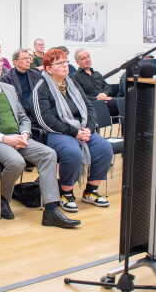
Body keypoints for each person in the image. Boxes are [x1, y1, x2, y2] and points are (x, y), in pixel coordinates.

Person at [0, 48, 80, 229]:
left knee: (49, 154)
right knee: (17, 162)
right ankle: (3, 198)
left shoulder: (8, 88)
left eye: (0, 61)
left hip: (19, 137)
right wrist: (5, 139)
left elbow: (23, 117)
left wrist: (25, 133)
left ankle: (51, 210)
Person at [31, 48, 113, 212]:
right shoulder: (41, 89)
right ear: (48, 68)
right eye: (59, 63)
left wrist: (89, 129)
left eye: (65, 62)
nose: (65, 66)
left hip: (82, 129)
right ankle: (66, 193)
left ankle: (91, 191)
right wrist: (74, 133)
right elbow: (45, 119)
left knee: (104, 149)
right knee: (72, 153)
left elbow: (89, 108)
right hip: (57, 132)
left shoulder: (72, 84)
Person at [72, 49, 119, 116]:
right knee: (122, 103)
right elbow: (79, 95)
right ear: (77, 62)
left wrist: (104, 94)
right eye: (83, 58)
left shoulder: (97, 73)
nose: (87, 60)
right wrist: (97, 99)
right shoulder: (75, 76)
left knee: (126, 102)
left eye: (88, 57)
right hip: (93, 103)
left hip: (106, 99)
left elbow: (107, 86)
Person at [0, 48, 41, 115]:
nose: (28, 61)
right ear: (15, 62)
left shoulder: (35, 74)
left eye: (29, 58)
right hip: (18, 113)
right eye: (25, 58)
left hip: (36, 111)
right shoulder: (6, 79)